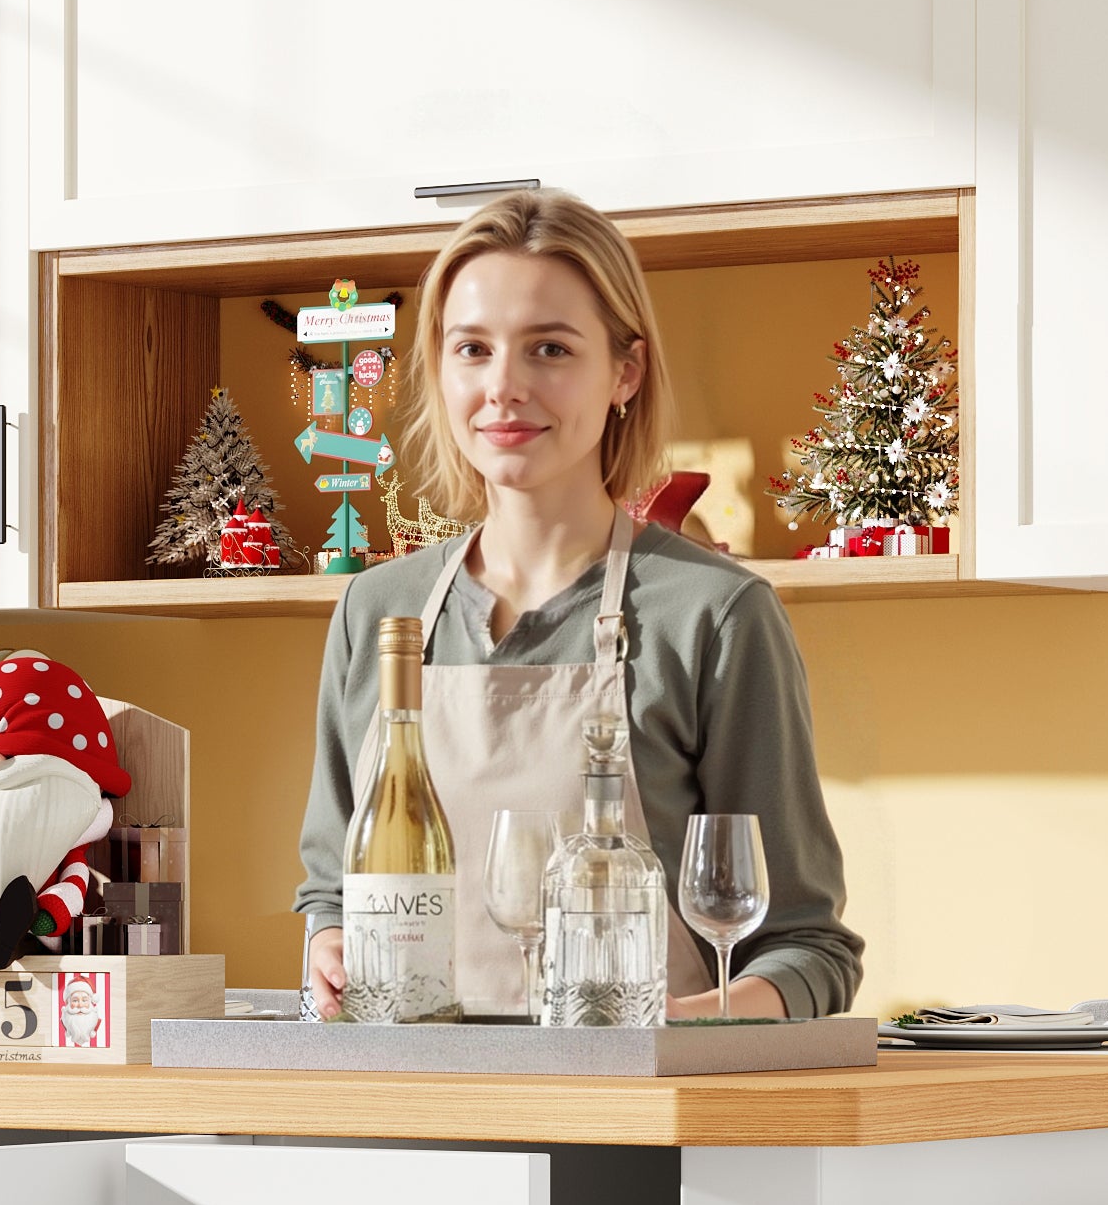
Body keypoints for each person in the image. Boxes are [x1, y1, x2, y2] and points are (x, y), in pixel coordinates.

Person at [296, 190, 861, 1021]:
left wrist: (674, 1028)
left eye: (550, 349)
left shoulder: (714, 617)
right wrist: (331, 947)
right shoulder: (381, 611)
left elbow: (808, 948)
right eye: (473, 349)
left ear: (624, 372)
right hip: (411, 1108)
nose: (503, 388)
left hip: (634, 1122)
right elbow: (330, 895)